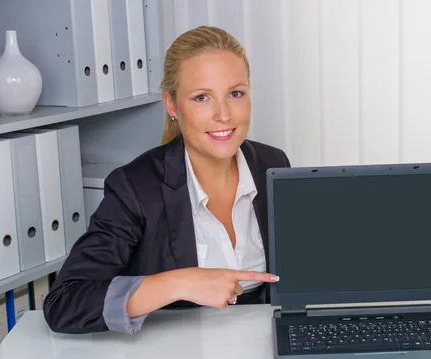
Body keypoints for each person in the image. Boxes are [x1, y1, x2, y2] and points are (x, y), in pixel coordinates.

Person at [43, 26, 290, 335]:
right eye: (202, 97)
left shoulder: (273, 165)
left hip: (263, 350)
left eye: (235, 93)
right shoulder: (135, 186)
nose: (223, 114)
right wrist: (179, 282)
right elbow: (65, 303)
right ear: (172, 105)